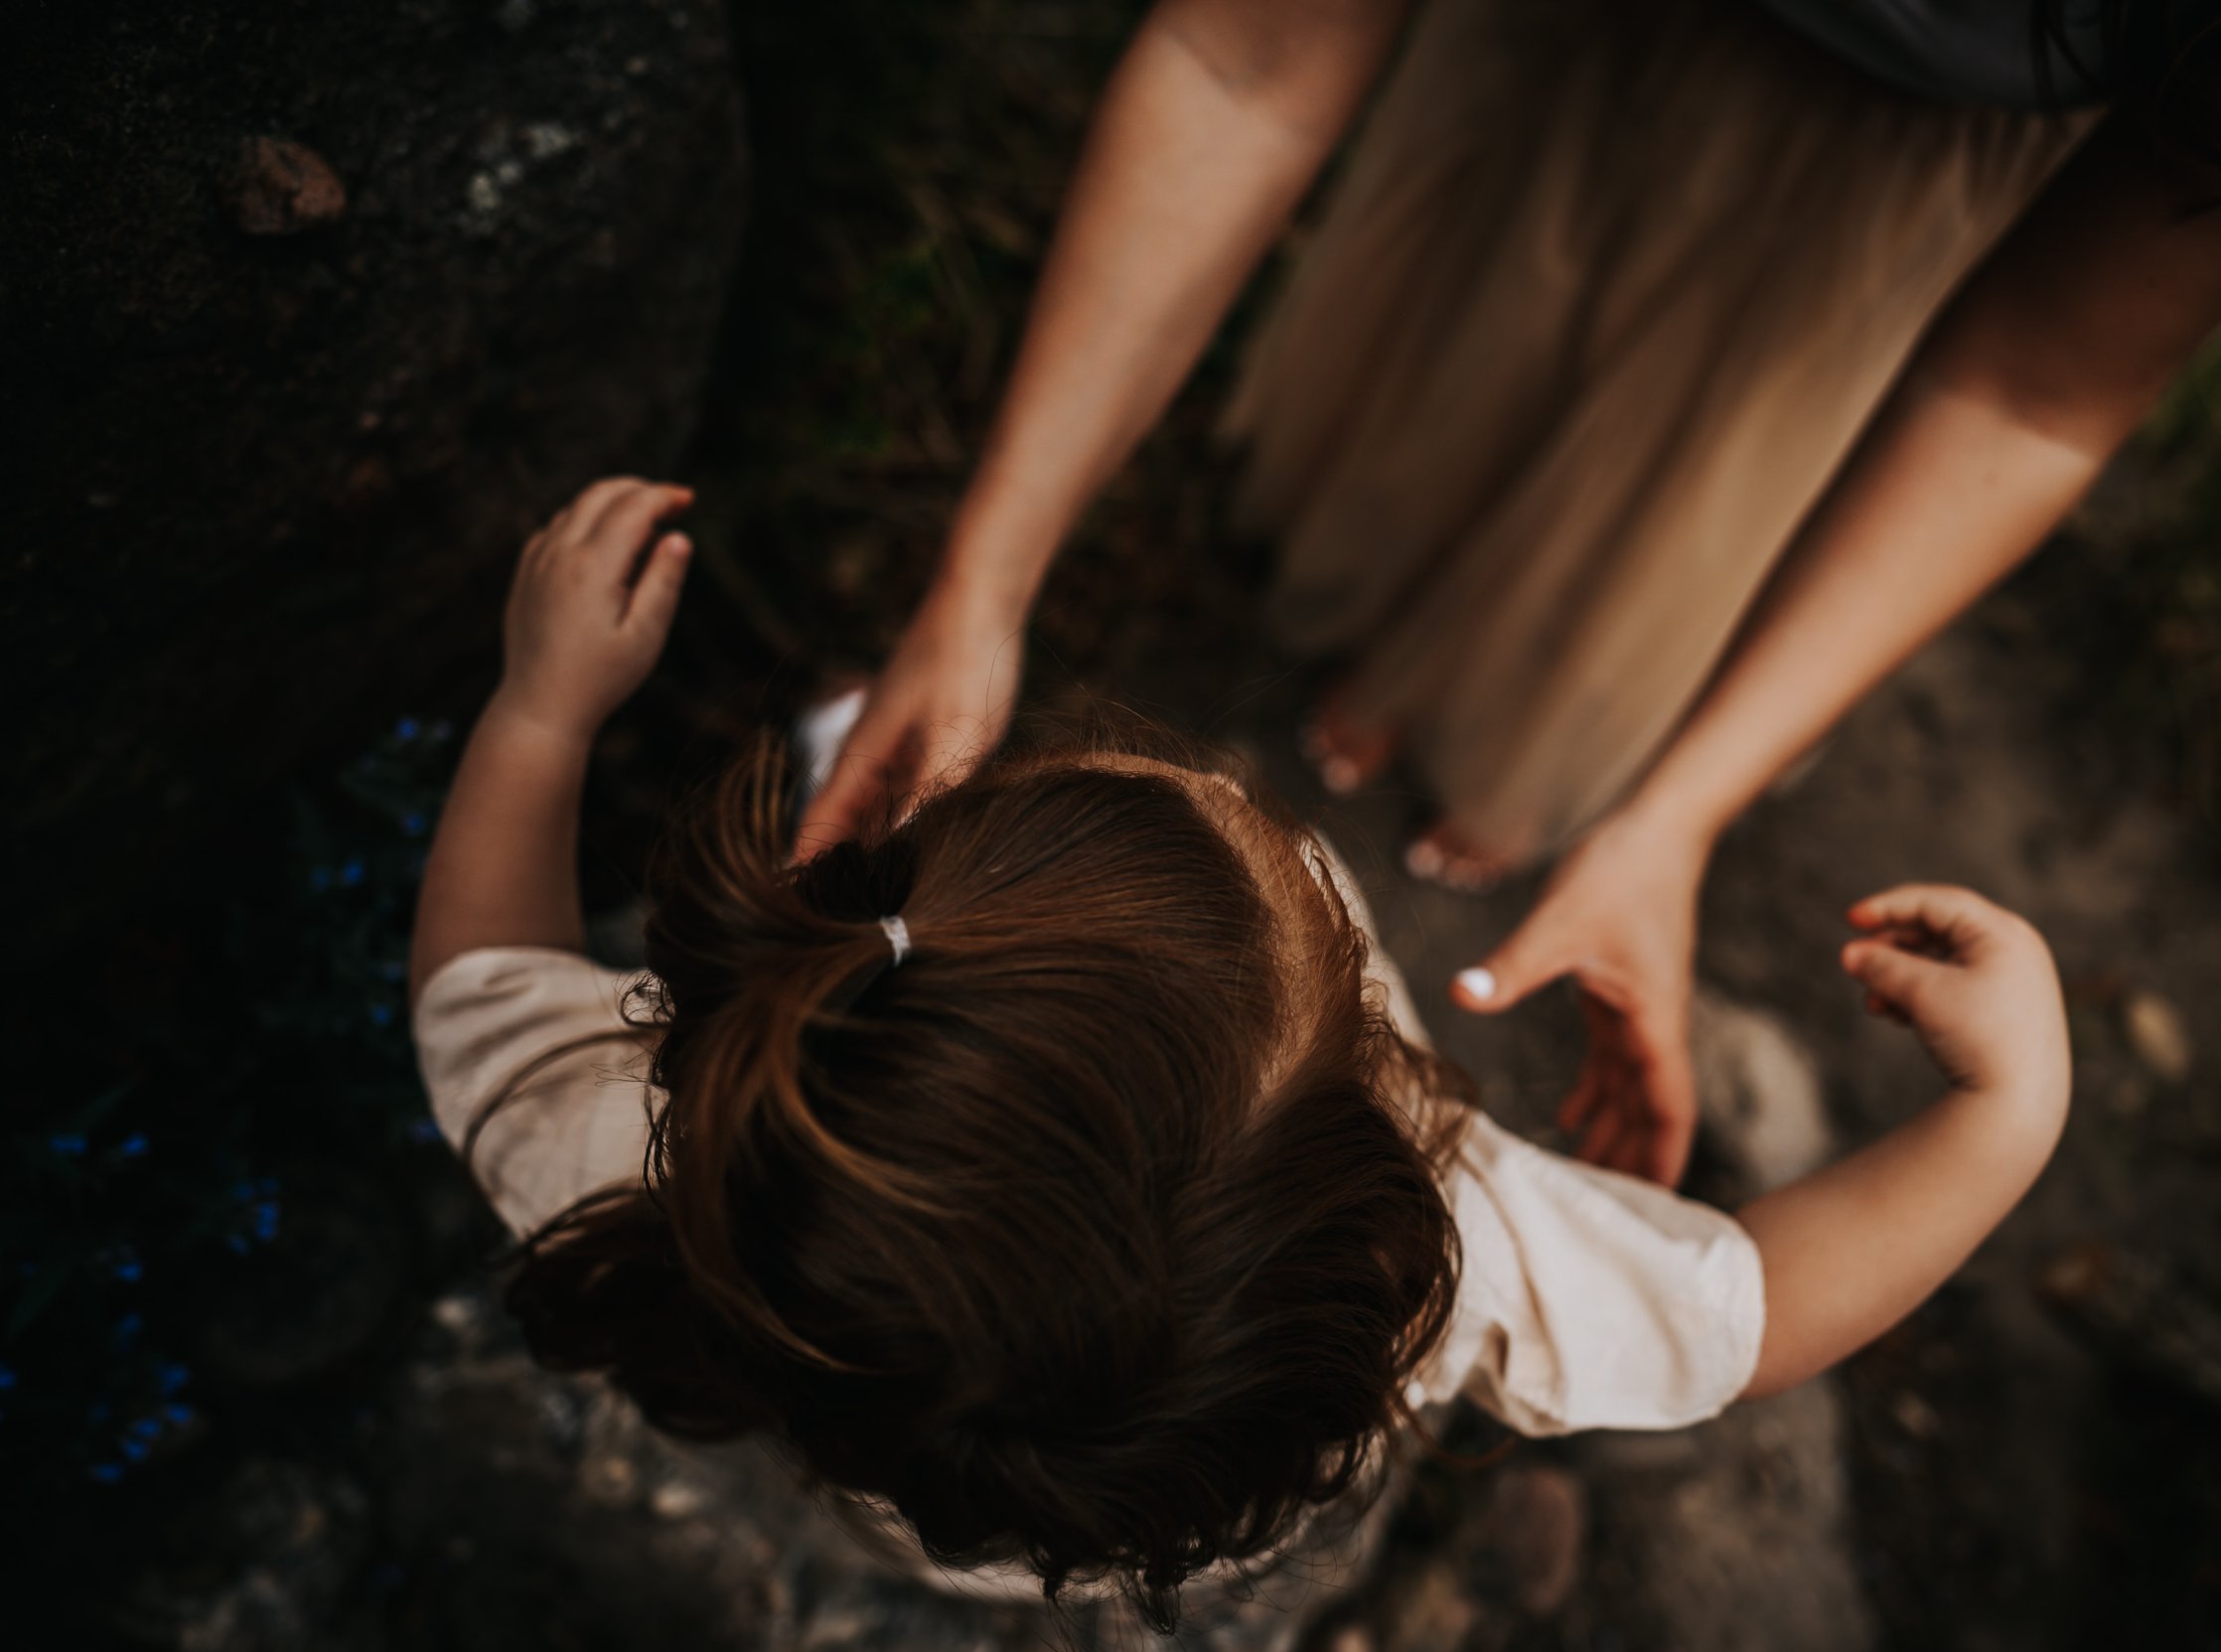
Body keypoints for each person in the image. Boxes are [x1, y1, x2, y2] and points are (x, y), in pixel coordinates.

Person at [795, 0, 2221, 1188]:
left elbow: (2037, 388)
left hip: (1912, 168)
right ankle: (1401, 618)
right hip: (1562, 51)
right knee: (1468, 342)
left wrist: (1678, 819)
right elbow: (1250, 49)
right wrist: (980, 577)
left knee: (1683, 471)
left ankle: (1565, 746)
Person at [408, 477, 2076, 1627]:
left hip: (932, 1495)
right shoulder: (1434, 1249)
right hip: (1131, 1539)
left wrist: (541, 715)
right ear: (1370, 1175)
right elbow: (1746, 1314)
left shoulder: (675, 1156)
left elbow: (479, 988)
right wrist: (2005, 1117)